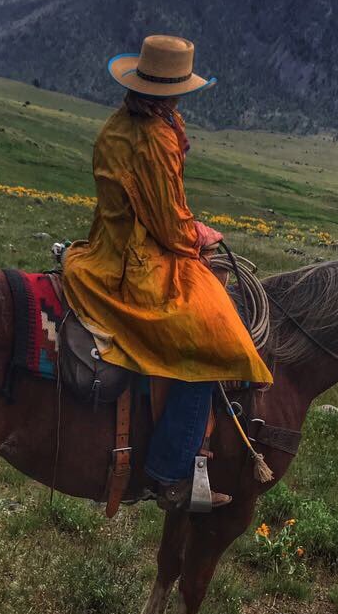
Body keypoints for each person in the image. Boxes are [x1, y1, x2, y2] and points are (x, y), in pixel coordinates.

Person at [62, 34, 273, 510]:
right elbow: (171, 228)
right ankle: (170, 472)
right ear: (174, 89)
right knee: (208, 345)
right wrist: (201, 233)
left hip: (109, 246)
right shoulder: (156, 137)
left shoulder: (121, 123)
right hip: (135, 264)